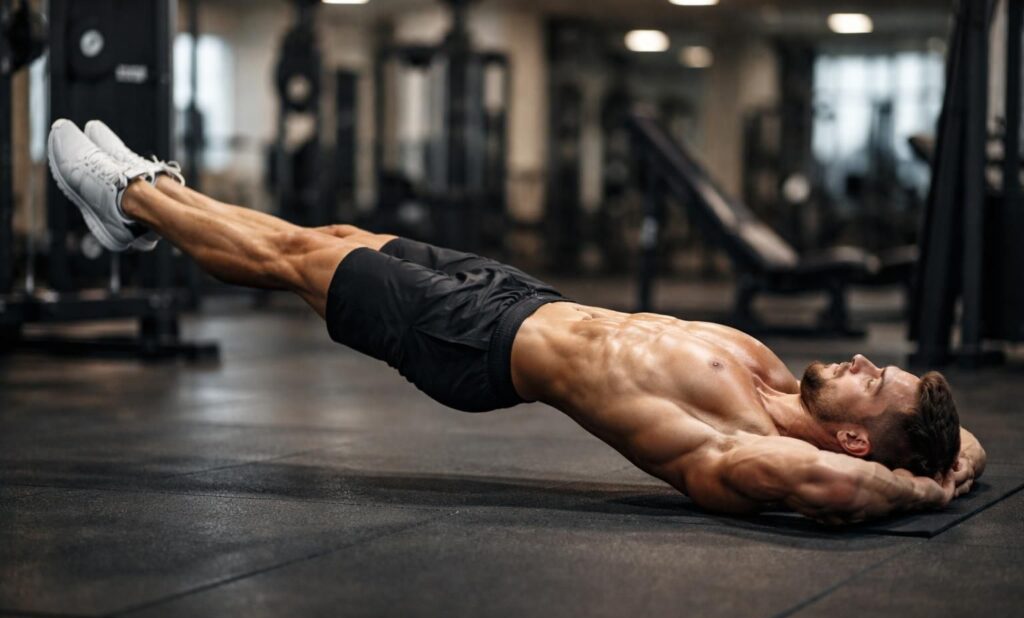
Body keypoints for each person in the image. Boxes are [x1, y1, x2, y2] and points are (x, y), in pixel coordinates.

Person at [47, 119, 987, 525]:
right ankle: (152, 192)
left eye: (877, 378)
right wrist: (950, 463)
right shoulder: (776, 376)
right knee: (329, 236)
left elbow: (847, 490)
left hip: (480, 346)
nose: (865, 358)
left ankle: (133, 198)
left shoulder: (742, 455)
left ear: (855, 437)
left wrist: (924, 494)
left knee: (298, 262)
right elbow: (960, 442)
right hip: (520, 295)